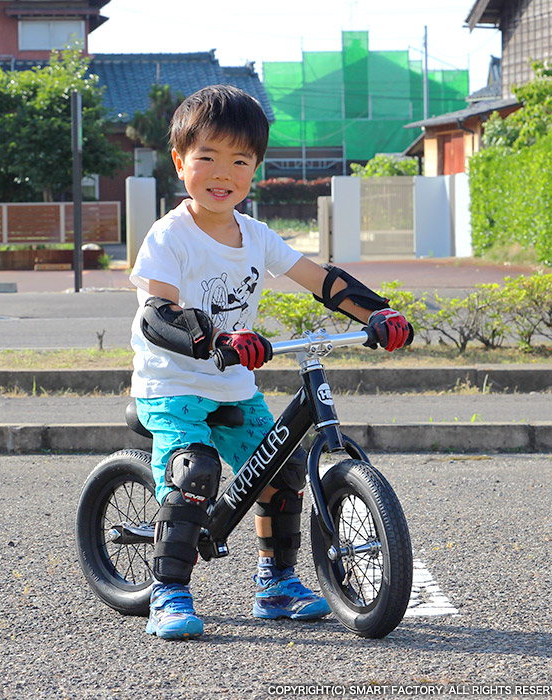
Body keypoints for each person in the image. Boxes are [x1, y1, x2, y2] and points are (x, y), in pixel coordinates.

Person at [129, 84, 413, 640]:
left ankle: (276, 582)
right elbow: (156, 314)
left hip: (234, 384)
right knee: (195, 472)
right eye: (207, 156)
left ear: (254, 169)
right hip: (173, 384)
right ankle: (168, 592)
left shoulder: (255, 236)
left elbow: (321, 280)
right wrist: (214, 340)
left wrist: (378, 313)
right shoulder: (169, 236)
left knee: (283, 469)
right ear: (180, 161)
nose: (222, 172)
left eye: (240, 160)